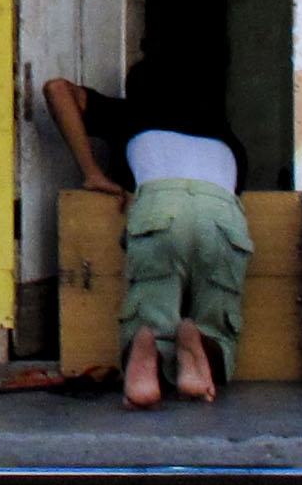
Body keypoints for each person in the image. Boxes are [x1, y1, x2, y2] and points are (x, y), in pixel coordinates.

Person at [43, 62, 249, 411]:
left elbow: (55, 89)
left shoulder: (130, 114)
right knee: (220, 326)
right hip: (221, 213)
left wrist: (91, 172)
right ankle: (201, 346)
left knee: (149, 312)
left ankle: (147, 353)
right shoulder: (228, 139)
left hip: (159, 207)